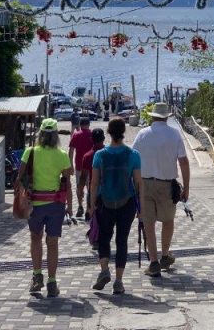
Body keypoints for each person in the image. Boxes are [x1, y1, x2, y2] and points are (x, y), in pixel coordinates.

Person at [15, 118, 72, 297]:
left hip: (35, 204)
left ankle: (37, 275)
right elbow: (67, 181)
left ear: (40, 134)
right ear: (56, 135)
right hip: (56, 204)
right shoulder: (62, 154)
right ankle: (52, 282)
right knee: (53, 243)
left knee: (35, 239)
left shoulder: (30, 152)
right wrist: (70, 206)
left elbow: (19, 178)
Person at [131, 103, 189, 277]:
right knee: (168, 220)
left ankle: (154, 261)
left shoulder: (142, 134)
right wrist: (186, 187)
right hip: (167, 184)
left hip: (145, 184)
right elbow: (184, 162)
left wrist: (134, 185)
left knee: (148, 223)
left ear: (152, 116)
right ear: (166, 116)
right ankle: (165, 255)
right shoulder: (174, 134)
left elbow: (133, 158)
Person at [88, 118, 141, 295]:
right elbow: (138, 183)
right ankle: (118, 281)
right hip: (127, 203)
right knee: (122, 240)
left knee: (104, 238)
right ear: (123, 132)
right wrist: (140, 208)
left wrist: (91, 205)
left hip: (105, 202)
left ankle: (104, 271)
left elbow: (94, 183)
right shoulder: (133, 154)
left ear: (108, 133)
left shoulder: (100, 155)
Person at [68, 117, 94, 218]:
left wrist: (70, 165)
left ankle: (80, 206)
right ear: (89, 124)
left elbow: (71, 151)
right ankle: (88, 208)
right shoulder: (92, 134)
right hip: (91, 166)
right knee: (90, 188)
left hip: (79, 165)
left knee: (79, 187)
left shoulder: (76, 135)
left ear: (80, 124)